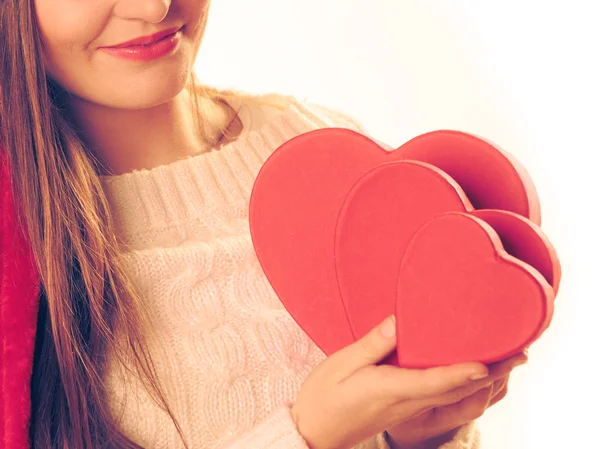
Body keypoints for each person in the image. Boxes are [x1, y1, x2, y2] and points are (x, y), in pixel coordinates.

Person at [0, 1, 527, 448]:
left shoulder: (324, 144)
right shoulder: (19, 247)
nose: (154, 7)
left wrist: (418, 435)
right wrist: (310, 435)